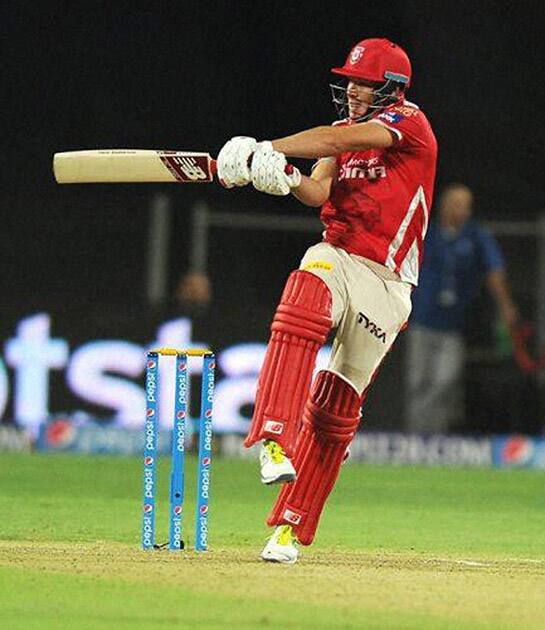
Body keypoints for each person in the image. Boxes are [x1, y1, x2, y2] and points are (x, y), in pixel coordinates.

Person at [217, 38, 438, 564]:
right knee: (306, 286)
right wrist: (284, 177)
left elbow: (332, 142)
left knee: (336, 411)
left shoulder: (411, 123)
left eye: (364, 82)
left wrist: (268, 146)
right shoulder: (340, 135)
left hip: (388, 284)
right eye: (350, 81)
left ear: (392, 89)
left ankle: (289, 531)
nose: (353, 90)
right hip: (340, 256)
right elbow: (318, 191)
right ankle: (272, 436)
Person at [406, 183, 518, 433]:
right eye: (458, 204)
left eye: (467, 206)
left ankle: (435, 437)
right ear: (444, 205)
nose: (463, 211)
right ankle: (415, 439)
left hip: (453, 326)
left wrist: (506, 307)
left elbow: (494, 272)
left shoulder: (476, 236)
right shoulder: (426, 232)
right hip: (421, 321)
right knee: (418, 383)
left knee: (445, 381)